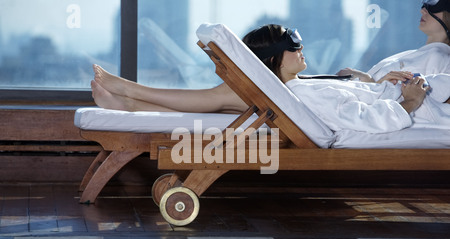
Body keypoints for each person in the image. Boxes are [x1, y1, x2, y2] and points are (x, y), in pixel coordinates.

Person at [91, 3, 449, 133]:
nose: (302, 49)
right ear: (275, 59)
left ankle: (131, 97)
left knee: (226, 97)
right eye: (294, 47)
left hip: (295, 102)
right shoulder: (297, 92)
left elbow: (361, 112)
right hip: (292, 100)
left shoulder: (296, 92)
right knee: (226, 97)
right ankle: (131, 96)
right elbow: (364, 112)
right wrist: (399, 96)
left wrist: (389, 92)